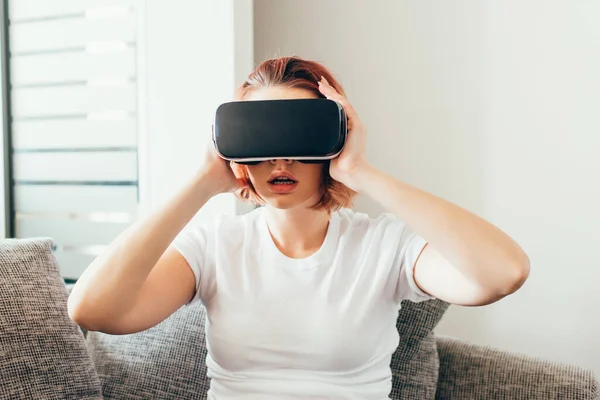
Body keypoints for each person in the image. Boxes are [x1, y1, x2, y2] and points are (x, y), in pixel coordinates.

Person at [68, 56, 530, 399]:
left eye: (299, 138)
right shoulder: (213, 246)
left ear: (334, 140)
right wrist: (202, 183)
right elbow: (93, 310)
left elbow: (502, 273)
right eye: (263, 141)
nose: (281, 160)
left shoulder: (386, 246)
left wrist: (360, 172)